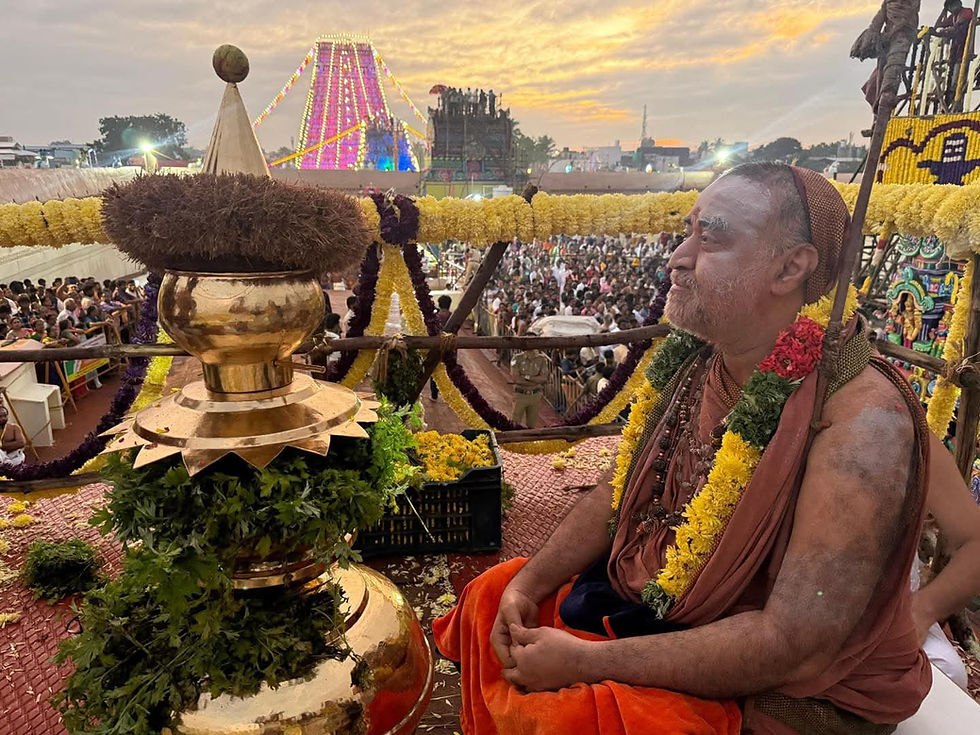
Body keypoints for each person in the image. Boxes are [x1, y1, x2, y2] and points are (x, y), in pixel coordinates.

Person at [435, 163, 933, 734]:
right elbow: (616, 494)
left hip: (786, 685)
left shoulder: (863, 419)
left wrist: (585, 663)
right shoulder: (701, 358)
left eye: (711, 237)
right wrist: (529, 584)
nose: (678, 255)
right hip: (658, 607)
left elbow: (793, 644)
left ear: (791, 267)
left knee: (571, 717)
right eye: (688, 230)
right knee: (489, 596)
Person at [510, 348, 549, 428]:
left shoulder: (542, 359)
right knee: (515, 422)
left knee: (532, 424)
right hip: (520, 394)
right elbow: (516, 379)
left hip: (535, 395)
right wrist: (535, 380)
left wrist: (527, 377)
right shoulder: (517, 358)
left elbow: (544, 378)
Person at [430, 295, 453, 401]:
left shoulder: (436, 316)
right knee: (450, 370)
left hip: (438, 346)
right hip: (451, 347)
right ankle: (449, 396)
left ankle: (434, 395)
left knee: (435, 369)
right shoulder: (452, 316)